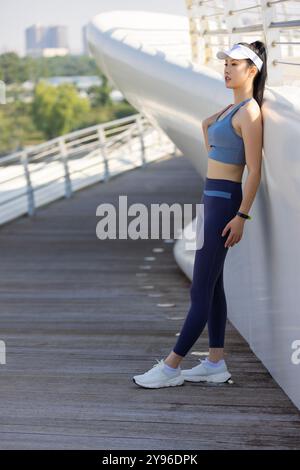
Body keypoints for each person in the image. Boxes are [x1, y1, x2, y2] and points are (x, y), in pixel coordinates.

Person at [133, 41, 266, 389]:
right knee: (214, 285)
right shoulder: (231, 108)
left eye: (234, 64)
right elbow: (209, 136)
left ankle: (171, 367)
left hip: (225, 204)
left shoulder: (250, 112)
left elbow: (254, 171)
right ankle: (215, 363)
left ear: (251, 70)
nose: (226, 69)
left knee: (200, 289)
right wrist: (211, 125)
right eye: (225, 63)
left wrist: (241, 216)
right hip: (211, 198)